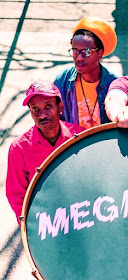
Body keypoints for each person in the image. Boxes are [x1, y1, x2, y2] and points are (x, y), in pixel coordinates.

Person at [6, 81, 85, 226]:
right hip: (45, 222)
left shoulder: (79, 136)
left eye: (48, 106)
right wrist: (31, 227)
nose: (41, 115)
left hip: (81, 215)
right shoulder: (19, 148)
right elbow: (16, 194)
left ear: (60, 107)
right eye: (35, 109)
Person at [54, 17, 119, 129]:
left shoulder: (115, 83)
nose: (79, 58)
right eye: (75, 51)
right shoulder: (62, 81)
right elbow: (57, 121)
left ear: (100, 54)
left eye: (86, 52)